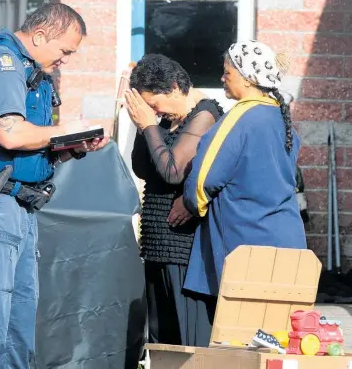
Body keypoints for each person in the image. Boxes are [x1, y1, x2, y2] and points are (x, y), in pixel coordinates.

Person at [0, 3, 109, 368]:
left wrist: (72, 147)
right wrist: (62, 131)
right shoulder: (0, 63)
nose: (66, 61)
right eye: (65, 51)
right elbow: (11, 134)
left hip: (18, 208)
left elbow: (32, 150)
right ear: (38, 36)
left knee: (16, 328)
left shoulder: (32, 73)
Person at [182, 40, 307, 297]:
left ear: (248, 78)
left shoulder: (240, 118)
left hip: (247, 246)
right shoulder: (282, 121)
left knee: (241, 333)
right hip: (289, 240)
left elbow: (202, 180)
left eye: (228, 72)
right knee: (279, 331)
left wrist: (191, 206)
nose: (222, 78)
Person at [124, 54, 223, 347]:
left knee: (186, 340)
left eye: (155, 104)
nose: (155, 111)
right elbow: (143, 167)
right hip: (157, 243)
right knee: (160, 342)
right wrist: (146, 126)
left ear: (176, 87)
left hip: (184, 247)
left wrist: (148, 126)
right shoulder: (167, 120)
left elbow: (173, 172)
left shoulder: (204, 114)